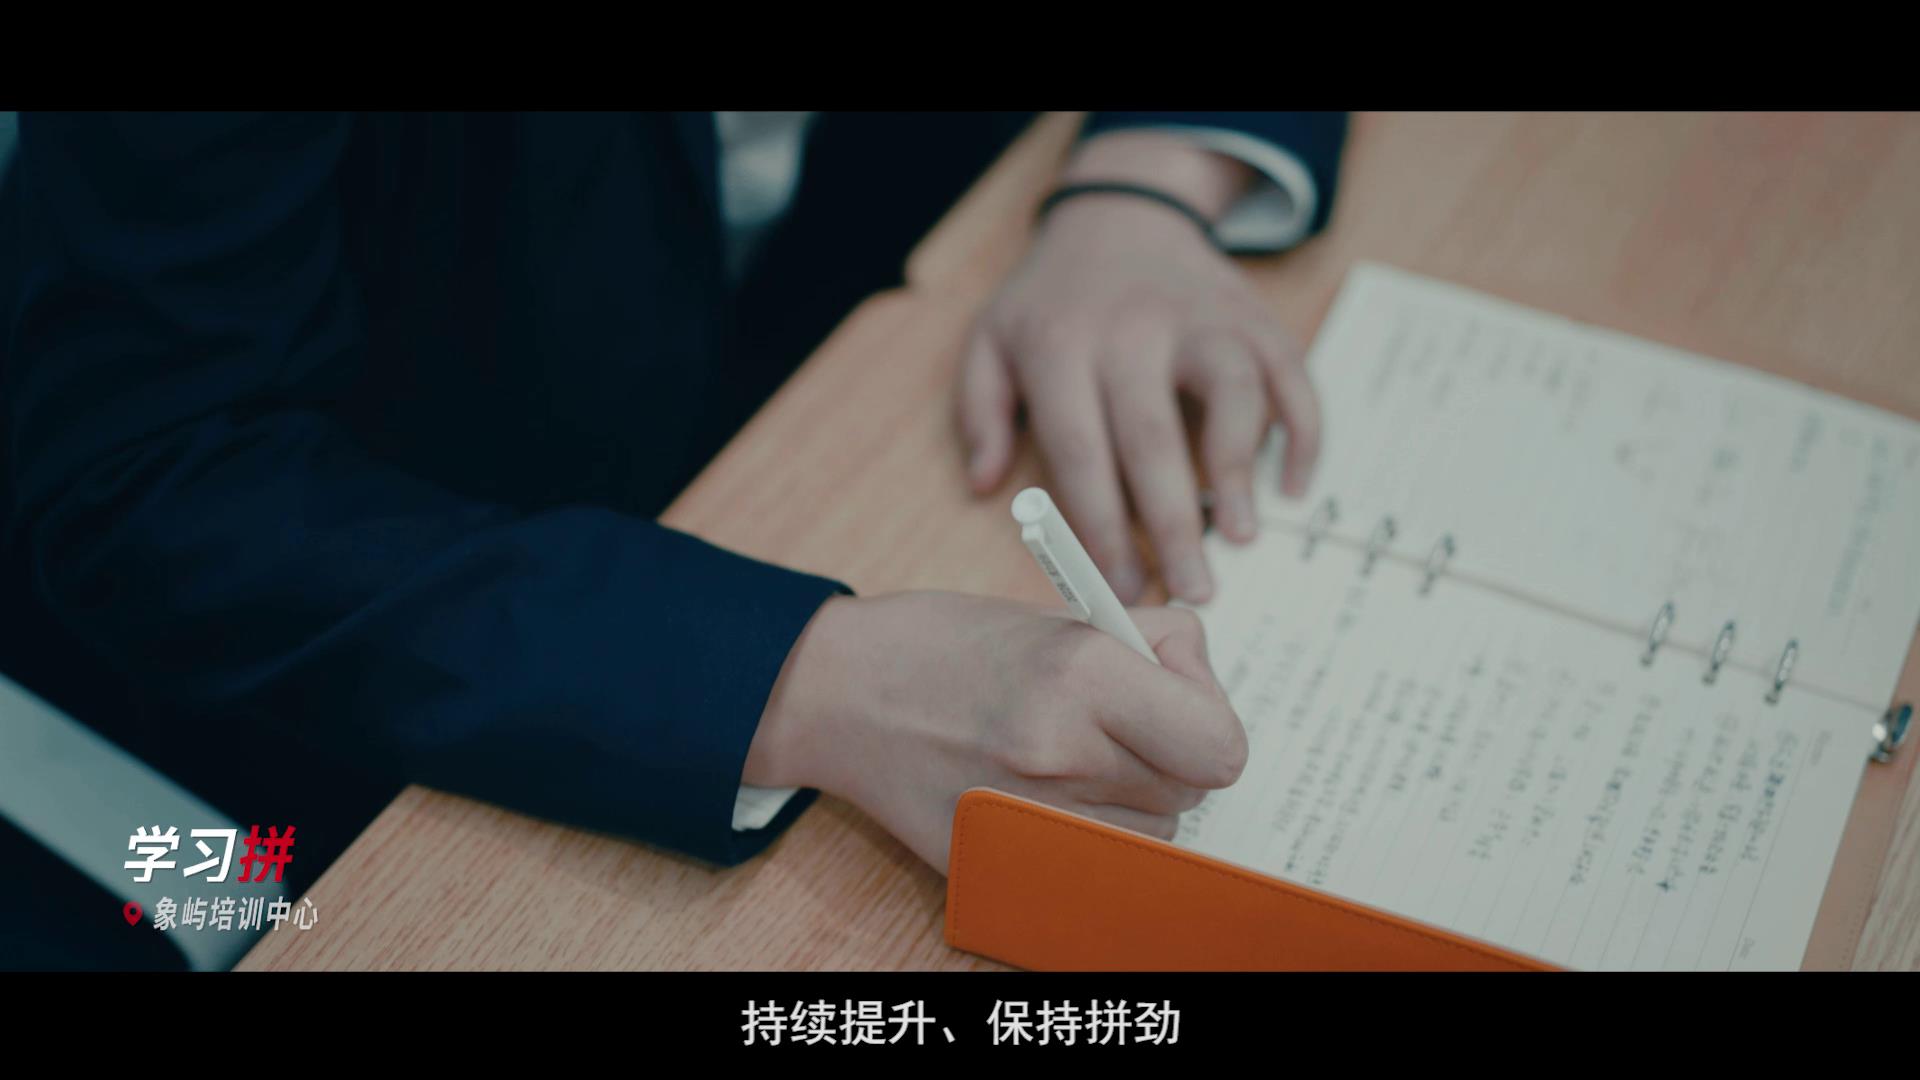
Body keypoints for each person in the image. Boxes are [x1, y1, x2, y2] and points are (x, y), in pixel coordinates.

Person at [0, 112, 1347, 966]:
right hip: (351, 673)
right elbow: (144, 473)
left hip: (797, 391)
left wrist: (1145, 180)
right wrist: (806, 678)